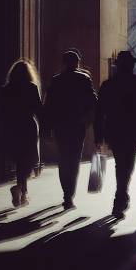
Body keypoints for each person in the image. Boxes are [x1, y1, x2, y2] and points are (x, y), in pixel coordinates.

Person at [95, 51, 136, 219]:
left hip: (114, 131)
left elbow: (99, 113)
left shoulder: (108, 85)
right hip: (134, 131)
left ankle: (121, 196)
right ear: (131, 65)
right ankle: (120, 197)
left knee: (121, 164)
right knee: (128, 164)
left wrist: (98, 135)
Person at [44, 48, 97, 209]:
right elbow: (93, 101)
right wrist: (88, 120)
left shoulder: (56, 80)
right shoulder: (84, 79)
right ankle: (69, 195)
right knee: (74, 159)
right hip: (77, 125)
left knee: (63, 158)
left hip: (60, 126)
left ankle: (66, 191)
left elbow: (49, 106)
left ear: (63, 63)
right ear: (77, 62)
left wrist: (47, 128)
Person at [0, 59, 44, 208]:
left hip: (12, 127)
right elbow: (38, 109)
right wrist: (46, 126)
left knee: (19, 160)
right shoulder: (31, 87)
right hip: (28, 126)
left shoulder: (7, 89)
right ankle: (21, 189)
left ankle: (22, 191)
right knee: (28, 160)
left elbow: (2, 111)